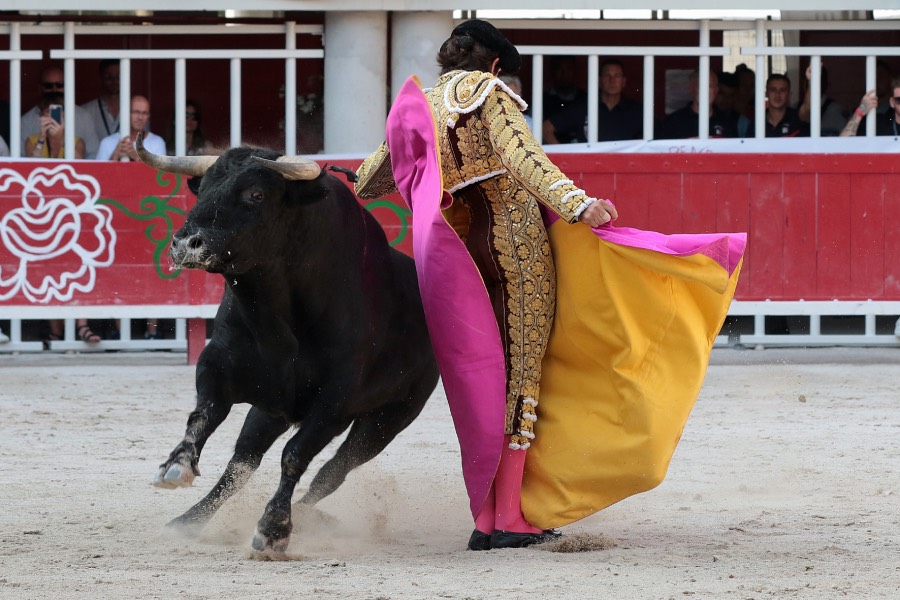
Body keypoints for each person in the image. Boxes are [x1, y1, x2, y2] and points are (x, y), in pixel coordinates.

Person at [356, 19, 744, 552]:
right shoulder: (490, 93)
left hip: (461, 255)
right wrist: (578, 204)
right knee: (522, 375)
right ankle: (509, 518)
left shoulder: (421, 106)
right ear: (495, 64)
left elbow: (370, 180)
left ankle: (488, 517)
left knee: (485, 375)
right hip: (516, 245)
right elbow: (525, 160)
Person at [544, 58, 643, 143]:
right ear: (599, 81)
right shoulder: (583, 107)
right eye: (607, 75)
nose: (612, 80)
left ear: (623, 81)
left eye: (617, 76)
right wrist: (565, 156)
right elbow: (545, 129)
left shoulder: (636, 111)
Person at [20, 65, 100, 159]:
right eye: (48, 86)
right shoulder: (26, 121)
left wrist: (61, 138)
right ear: (41, 115)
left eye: (60, 85)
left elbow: (90, 158)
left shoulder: (84, 117)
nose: (54, 90)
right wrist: (42, 137)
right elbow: (24, 162)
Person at [657, 70, 738, 139]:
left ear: (716, 90)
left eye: (710, 86)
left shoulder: (728, 123)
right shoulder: (673, 122)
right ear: (692, 89)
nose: (705, 91)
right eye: (701, 86)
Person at [96, 95, 166, 161]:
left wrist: (136, 157)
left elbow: (159, 170)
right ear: (126, 114)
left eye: (144, 113)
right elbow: (98, 170)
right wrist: (114, 157)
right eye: (136, 112)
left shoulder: (157, 143)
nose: (140, 117)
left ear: (148, 117)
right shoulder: (106, 143)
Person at [798, 65, 848, 137]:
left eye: (818, 80)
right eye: (809, 80)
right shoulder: (795, 107)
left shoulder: (836, 110)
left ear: (826, 84)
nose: (815, 84)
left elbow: (846, 138)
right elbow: (807, 111)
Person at [80, 59, 120, 143]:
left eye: (118, 76)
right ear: (101, 78)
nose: (114, 81)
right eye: (109, 77)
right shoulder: (86, 111)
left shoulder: (137, 110)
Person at [763, 74, 808, 138]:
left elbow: (808, 108)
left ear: (789, 95)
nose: (777, 95)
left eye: (782, 90)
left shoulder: (798, 119)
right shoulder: (758, 121)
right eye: (773, 90)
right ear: (766, 94)